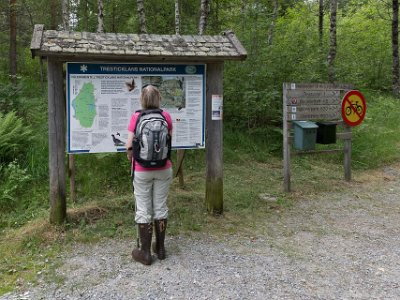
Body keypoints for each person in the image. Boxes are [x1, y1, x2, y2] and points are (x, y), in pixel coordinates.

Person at [126, 85, 173, 265]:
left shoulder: (137, 117)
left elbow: (129, 146)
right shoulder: (165, 116)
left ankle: (145, 252)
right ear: (158, 99)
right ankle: (160, 249)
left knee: (143, 208)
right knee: (160, 207)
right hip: (164, 168)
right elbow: (169, 142)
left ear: (142, 100)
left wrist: (132, 156)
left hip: (141, 170)